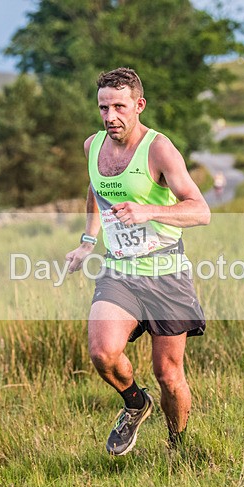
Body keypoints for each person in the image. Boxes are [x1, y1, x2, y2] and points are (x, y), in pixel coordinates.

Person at [66, 67, 210, 455]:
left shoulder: (159, 149)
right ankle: (135, 403)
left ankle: (178, 447)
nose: (110, 116)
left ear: (139, 105)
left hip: (166, 273)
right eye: (103, 108)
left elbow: (201, 210)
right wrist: (87, 241)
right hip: (119, 271)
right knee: (103, 353)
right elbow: (96, 188)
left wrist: (147, 210)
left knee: (168, 374)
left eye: (119, 107)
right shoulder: (93, 146)